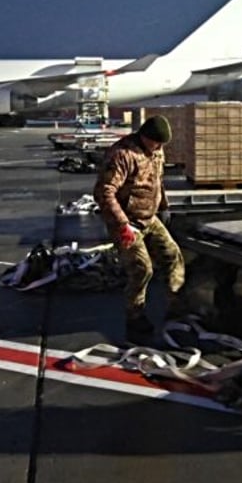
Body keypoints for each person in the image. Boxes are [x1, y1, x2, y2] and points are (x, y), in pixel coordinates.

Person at [94, 114, 185, 345]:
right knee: (141, 268)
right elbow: (104, 192)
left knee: (172, 256)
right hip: (127, 221)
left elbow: (158, 180)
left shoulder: (156, 151)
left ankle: (176, 306)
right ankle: (135, 317)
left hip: (149, 218)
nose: (159, 148)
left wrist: (163, 206)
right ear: (145, 137)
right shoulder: (123, 154)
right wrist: (122, 225)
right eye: (156, 143)